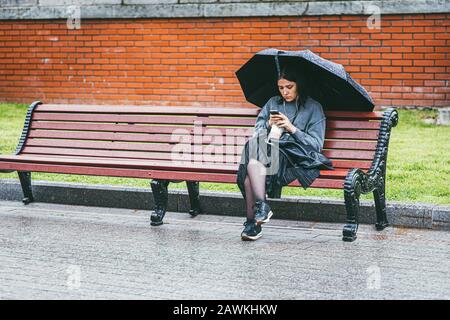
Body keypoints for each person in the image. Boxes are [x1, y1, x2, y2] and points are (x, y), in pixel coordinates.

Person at [236, 65, 333, 241]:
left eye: (289, 87)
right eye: (281, 88)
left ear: (299, 85)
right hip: (266, 150)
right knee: (253, 159)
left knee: (252, 165)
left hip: (293, 155)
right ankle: (261, 208)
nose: (285, 92)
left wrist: (291, 128)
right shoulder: (273, 103)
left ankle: (252, 223)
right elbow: (257, 132)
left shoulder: (313, 107)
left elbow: (316, 145)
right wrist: (267, 125)